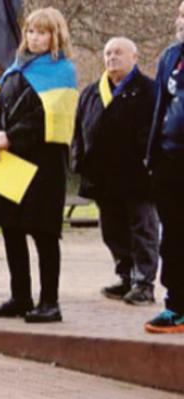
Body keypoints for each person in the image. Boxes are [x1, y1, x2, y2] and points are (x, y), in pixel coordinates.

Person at [0, 7, 76, 324]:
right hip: (9, 159)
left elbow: (49, 119)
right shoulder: (14, 69)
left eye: (42, 32)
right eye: (31, 31)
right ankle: (20, 296)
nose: (34, 37)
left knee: (44, 233)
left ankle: (50, 301)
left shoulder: (63, 71)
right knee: (12, 229)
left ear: (55, 35)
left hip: (44, 163)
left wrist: (11, 137)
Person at [73, 37, 158, 306]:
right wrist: (80, 163)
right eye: (108, 53)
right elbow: (79, 131)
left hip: (137, 176)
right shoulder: (91, 93)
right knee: (112, 230)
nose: (112, 58)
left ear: (135, 57)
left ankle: (143, 282)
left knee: (142, 229)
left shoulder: (149, 91)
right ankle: (125, 276)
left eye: (119, 53)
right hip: (103, 178)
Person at [143, 0, 184, 334]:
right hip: (170, 160)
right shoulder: (171, 56)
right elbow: (160, 107)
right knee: (172, 236)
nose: (181, 21)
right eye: (180, 14)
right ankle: (176, 306)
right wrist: (152, 155)